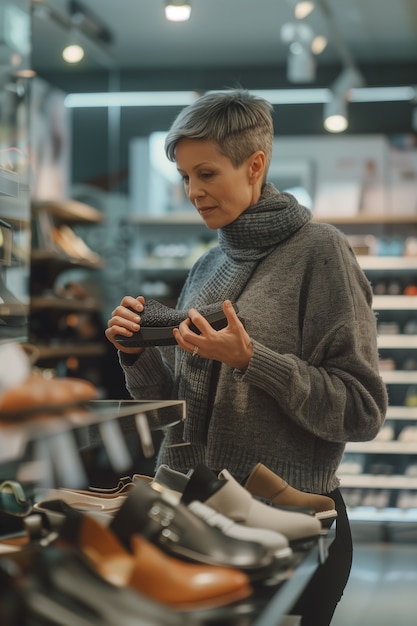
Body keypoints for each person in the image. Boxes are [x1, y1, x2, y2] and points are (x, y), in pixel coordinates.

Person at [105, 88, 388, 625]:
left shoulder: (320, 252)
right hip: (193, 523)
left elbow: (361, 409)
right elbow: (177, 419)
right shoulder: (207, 265)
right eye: (186, 177)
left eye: (206, 174)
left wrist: (252, 360)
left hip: (286, 528)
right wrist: (138, 353)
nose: (192, 192)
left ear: (255, 164)